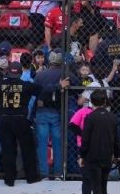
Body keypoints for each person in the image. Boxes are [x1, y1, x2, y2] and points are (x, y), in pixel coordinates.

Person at [80, 87, 120, 194]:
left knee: (95, 185)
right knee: (103, 184)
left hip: (92, 157)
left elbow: (85, 139)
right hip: (107, 155)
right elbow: (116, 139)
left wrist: (82, 155)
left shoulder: (90, 117)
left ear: (91, 101)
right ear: (104, 101)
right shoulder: (112, 117)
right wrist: (117, 155)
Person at [34, 51, 68, 180]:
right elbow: (78, 83)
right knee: (57, 143)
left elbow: (36, 90)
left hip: (41, 110)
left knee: (42, 143)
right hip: (56, 110)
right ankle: (58, 173)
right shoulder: (64, 73)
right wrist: (59, 86)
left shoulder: (40, 75)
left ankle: (44, 173)